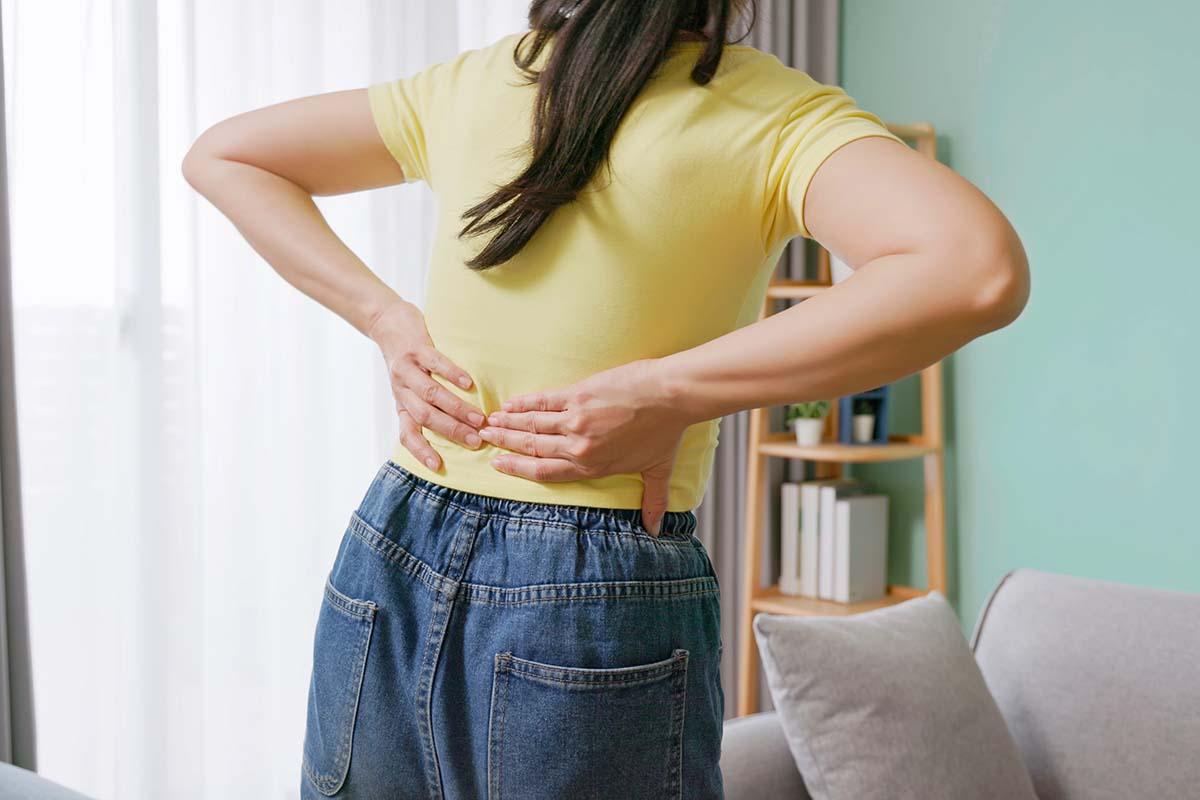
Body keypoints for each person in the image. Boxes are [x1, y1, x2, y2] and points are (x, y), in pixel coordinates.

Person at [182, 1, 1029, 797]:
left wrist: (388, 318)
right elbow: (973, 267)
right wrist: (666, 391)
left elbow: (224, 154)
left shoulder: (485, 78)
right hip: (582, 576)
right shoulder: (765, 112)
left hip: (395, 536)